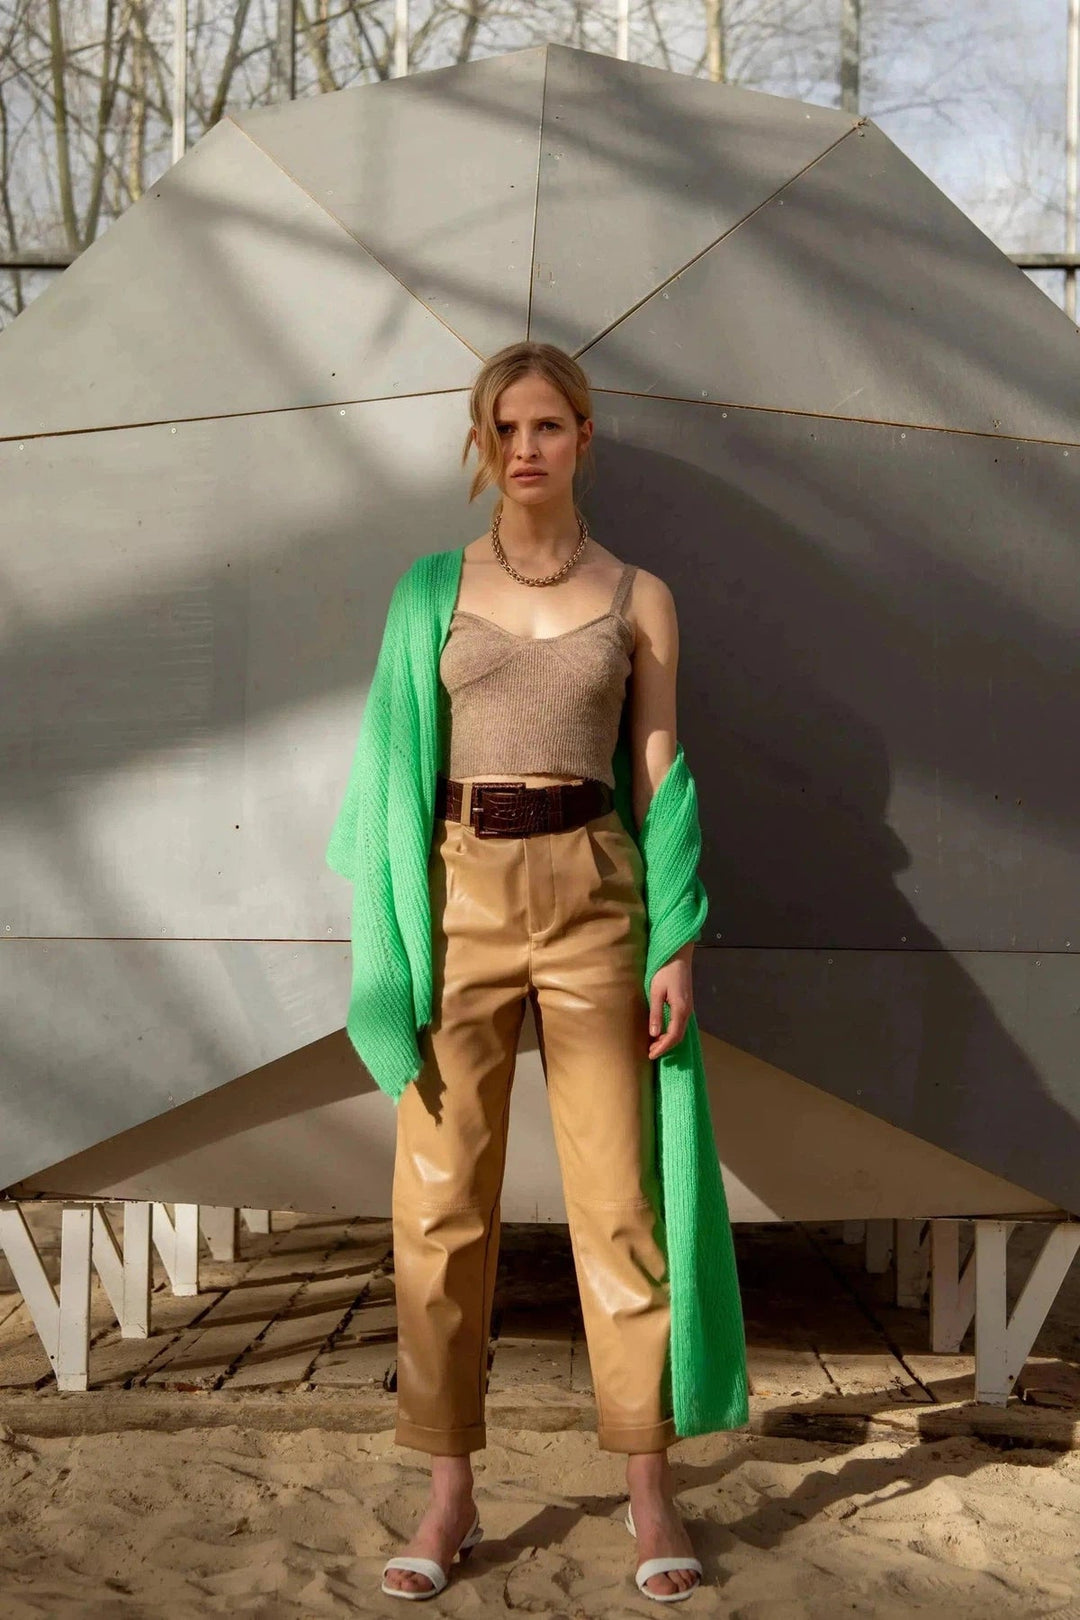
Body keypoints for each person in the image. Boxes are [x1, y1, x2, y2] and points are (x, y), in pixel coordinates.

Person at [328, 340, 741, 1602]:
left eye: (548, 424)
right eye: (504, 427)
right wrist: (394, 949)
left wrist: (675, 939)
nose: (525, 447)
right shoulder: (430, 590)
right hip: (456, 897)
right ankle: (448, 1491)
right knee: (440, 1206)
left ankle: (649, 1488)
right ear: (481, 442)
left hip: (594, 896)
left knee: (620, 1203)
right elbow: (388, 769)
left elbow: (660, 774)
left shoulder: (640, 596)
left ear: (584, 437)